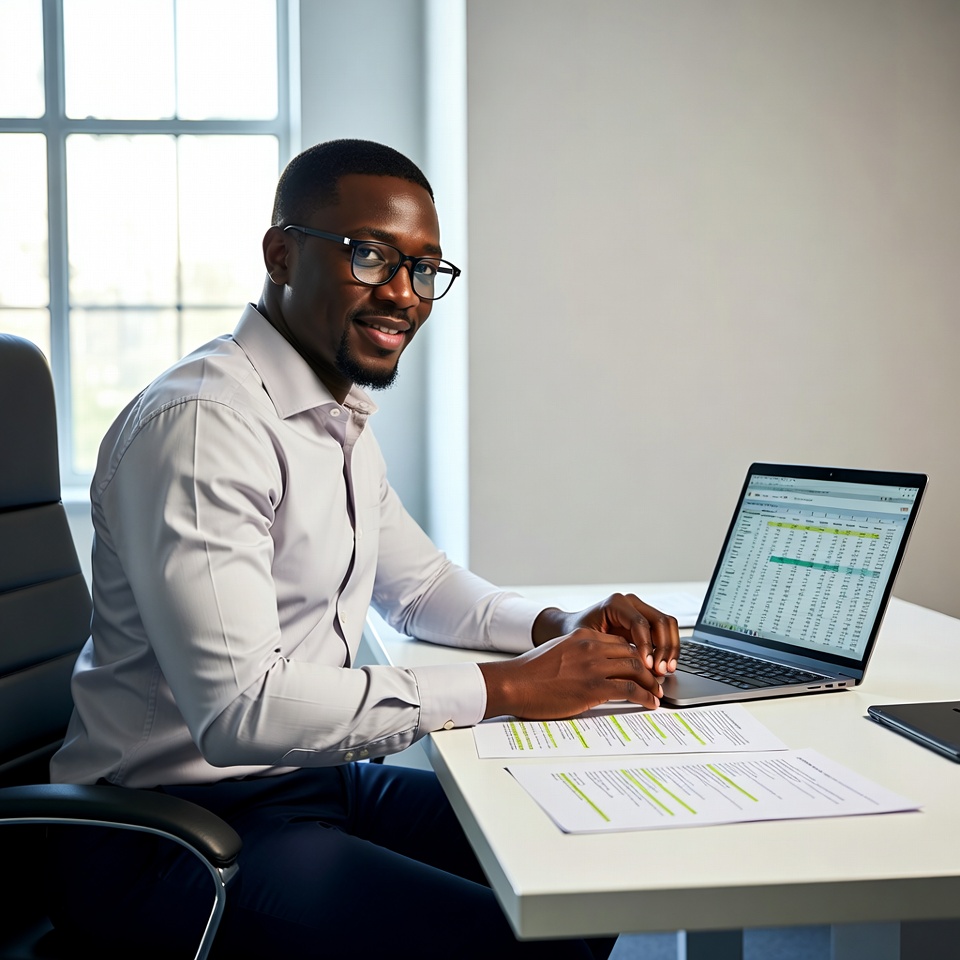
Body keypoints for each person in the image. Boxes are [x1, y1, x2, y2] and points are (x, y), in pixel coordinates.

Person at [49, 139, 679, 959]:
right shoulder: (205, 426)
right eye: (371, 255)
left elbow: (420, 591)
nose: (403, 294)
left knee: (574, 875)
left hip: (304, 787)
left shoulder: (331, 416)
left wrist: (560, 625)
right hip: (163, 835)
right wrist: (507, 688)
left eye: (425, 269)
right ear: (281, 253)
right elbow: (241, 714)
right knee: (513, 937)